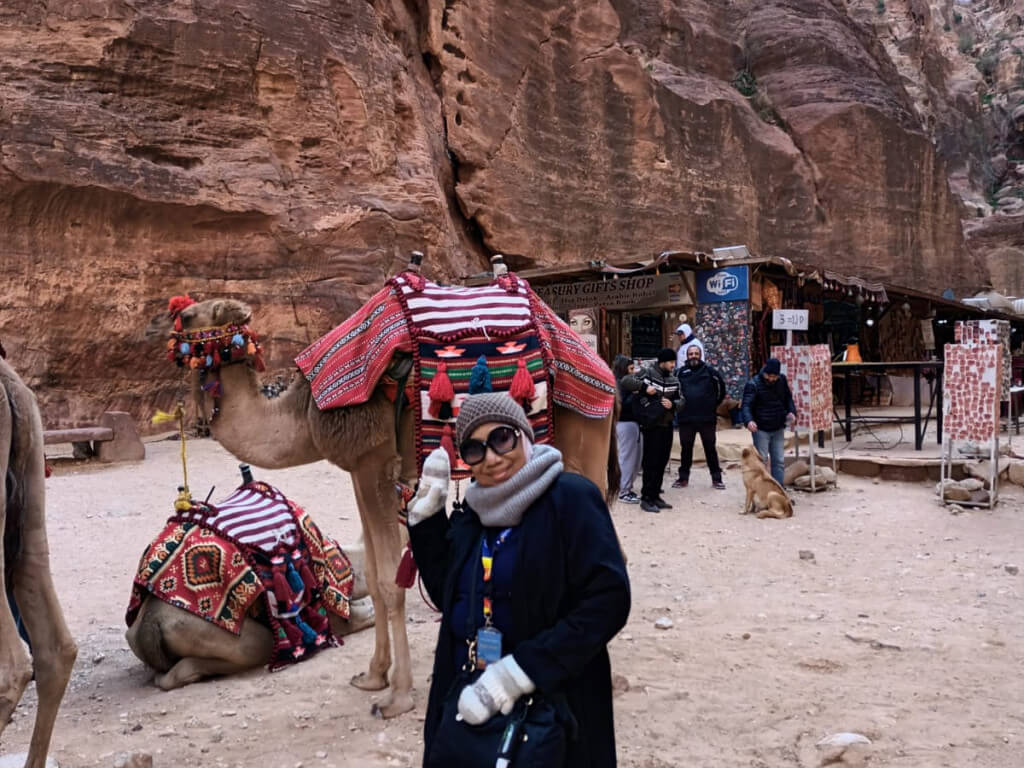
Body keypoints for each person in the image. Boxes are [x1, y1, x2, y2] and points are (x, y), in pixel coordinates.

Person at [406, 392, 631, 768]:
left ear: (524, 435)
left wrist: (521, 671)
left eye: (502, 439)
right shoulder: (474, 515)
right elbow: (451, 597)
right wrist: (426, 523)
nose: (492, 458)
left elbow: (607, 601)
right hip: (472, 690)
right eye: (475, 449)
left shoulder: (570, 499)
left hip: (553, 699)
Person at [624, 349, 686, 514]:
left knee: (662, 462)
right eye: (671, 362)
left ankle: (656, 495)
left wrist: (673, 405)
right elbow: (626, 381)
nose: (673, 365)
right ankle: (646, 498)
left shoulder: (675, 380)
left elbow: (682, 400)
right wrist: (645, 387)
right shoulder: (648, 373)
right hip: (651, 426)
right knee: (650, 463)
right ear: (662, 362)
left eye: (674, 362)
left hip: (667, 426)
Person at [673, 345, 728, 490]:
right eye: (691, 354)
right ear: (687, 356)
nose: (693, 356)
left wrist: (712, 405)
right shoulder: (679, 373)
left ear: (701, 355)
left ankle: (717, 479)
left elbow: (721, 391)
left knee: (710, 448)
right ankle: (683, 478)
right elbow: (673, 392)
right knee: (686, 449)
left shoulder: (711, 372)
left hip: (706, 419)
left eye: (696, 353)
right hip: (686, 419)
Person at [740, 358, 797, 487]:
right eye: (769, 376)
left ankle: (779, 490)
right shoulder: (753, 384)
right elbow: (746, 405)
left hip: (777, 426)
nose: (771, 379)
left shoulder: (781, 380)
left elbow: (788, 398)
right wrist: (749, 421)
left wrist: (791, 411)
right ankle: (762, 490)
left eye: (774, 376)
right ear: (765, 372)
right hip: (761, 429)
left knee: (779, 461)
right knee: (762, 461)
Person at [612, 354, 642, 504]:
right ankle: (624, 491)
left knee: (632, 459)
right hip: (626, 423)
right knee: (627, 459)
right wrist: (636, 394)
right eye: (630, 369)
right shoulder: (620, 385)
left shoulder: (623, 384)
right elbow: (623, 406)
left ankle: (626, 488)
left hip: (630, 424)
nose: (633, 371)